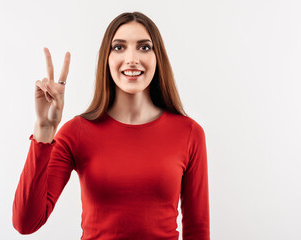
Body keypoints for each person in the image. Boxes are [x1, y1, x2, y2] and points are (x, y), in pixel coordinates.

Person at [12, 11, 210, 240]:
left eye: (144, 47)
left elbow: (197, 231)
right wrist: (44, 130)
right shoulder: (76, 132)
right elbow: (25, 222)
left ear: (158, 58)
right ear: (107, 58)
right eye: (119, 47)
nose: (132, 58)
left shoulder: (189, 133)